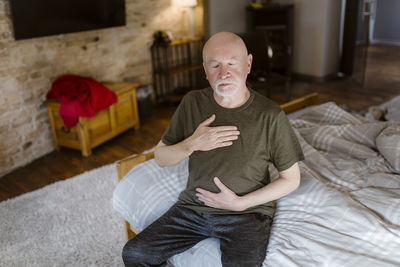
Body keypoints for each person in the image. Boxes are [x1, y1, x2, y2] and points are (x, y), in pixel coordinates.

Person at [122, 32, 304, 267]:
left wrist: (241, 203)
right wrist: (193, 144)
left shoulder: (270, 115)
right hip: (193, 209)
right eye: (215, 65)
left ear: (248, 63)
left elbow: (291, 179)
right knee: (134, 254)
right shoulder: (192, 102)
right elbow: (161, 158)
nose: (224, 73)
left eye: (232, 63)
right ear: (205, 71)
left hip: (246, 215)